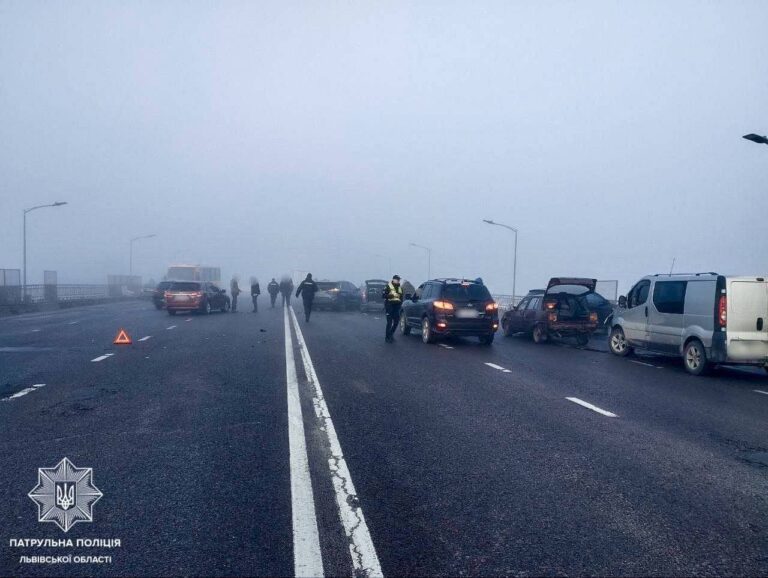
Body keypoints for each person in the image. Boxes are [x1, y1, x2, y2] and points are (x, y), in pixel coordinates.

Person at [383, 274, 403, 342]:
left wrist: (401, 304)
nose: (398, 281)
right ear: (393, 279)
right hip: (389, 306)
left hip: (396, 307)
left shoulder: (400, 288)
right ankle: (387, 337)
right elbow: (383, 295)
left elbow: (401, 297)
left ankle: (391, 334)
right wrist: (389, 296)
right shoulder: (388, 286)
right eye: (397, 279)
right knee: (389, 322)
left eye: (399, 279)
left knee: (396, 321)